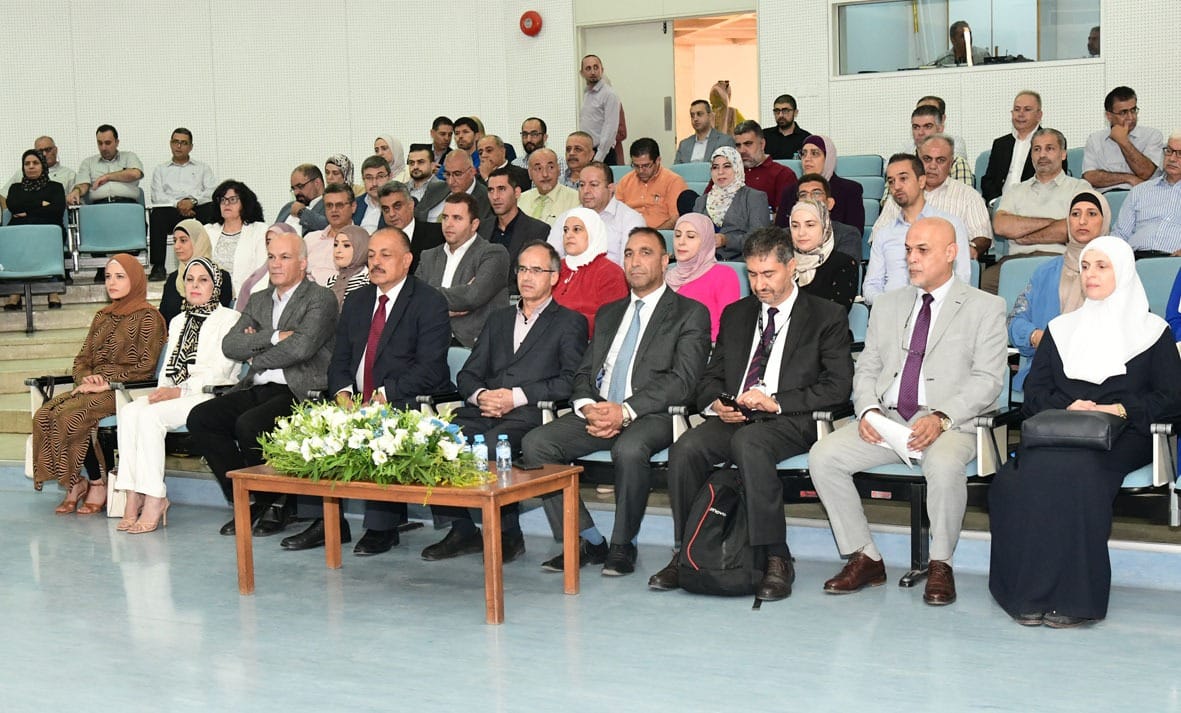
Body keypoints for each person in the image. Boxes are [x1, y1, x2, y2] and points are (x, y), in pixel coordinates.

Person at [808, 217, 1007, 606]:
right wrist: (868, 410)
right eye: (908, 250)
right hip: (890, 420)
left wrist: (942, 417)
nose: (911, 258)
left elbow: (988, 380)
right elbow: (867, 368)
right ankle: (865, 556)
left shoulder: (985, 307)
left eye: (922, 250)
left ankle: (940, 563)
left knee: (944, 465)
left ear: (951, 253)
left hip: (951, 425)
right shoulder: (887, 304)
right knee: (824, 456)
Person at [989, 236, 1181, 628]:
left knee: (1080, 475)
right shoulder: (1060, 329)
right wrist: (1068, 406)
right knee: (1013, 480)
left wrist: (1120, 409)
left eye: (1102, 266)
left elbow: (1171, 398)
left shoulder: (1153, 332)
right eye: (1086, 266)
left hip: (1126, 432)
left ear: (1122, 272)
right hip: (1061, 429)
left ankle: (1074, 599)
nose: (1090, 274)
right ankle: (1025, 593)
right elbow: (1034, 393)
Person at [651, 227, 853, 599]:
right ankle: (688, 551)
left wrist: (776, 401)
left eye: (768, 274)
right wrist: (717, 404)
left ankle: (776, 556)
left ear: (791, 267)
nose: (759, 284)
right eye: (753, 274)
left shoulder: (826, 315)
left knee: (750, 443)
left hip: (792, 418)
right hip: (739, 416)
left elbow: (838, 387)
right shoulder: (737, 314)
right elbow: (710, 377)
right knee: (687, 448)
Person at [521, 228, 711, 576]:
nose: (635, 261)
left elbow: (683, 381)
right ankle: (586, 540)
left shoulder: (689, 313)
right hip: (599, 409)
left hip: (652, 414)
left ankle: (624, 544)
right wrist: (586, 406)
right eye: (628, 253)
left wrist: (624, 410)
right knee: (536, 444)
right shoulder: (610, 313)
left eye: (645, 253)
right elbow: (583, 372)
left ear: (664, 261)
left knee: (629, 448)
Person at [280, 227, 452, 555]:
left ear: (407, 261)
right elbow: (340, 358)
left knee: (380, 426)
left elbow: (430, 368)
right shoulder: (358, 301)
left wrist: (384, 395)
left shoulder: (429, 302)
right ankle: (325, 522)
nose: (376, 262)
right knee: (313, 427)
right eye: (371, 255)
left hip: (407, 397)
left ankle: (381, 528)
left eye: (385, 255)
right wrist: (343, 393)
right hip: (358, 398)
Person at [419, 241, 589, 563]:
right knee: (434, 442)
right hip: (482, 410)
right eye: (522, 269)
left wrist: (516, 397)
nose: (527, 277)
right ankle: (461, 529)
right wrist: (481, 395)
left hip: (529, 415)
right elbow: (468, 374)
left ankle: (509, 535)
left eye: (537, 270)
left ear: (554, 277)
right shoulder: (498, 319)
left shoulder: (569, 322)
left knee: (492, 449)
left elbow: (570, 381)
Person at [186, 230, 337, 537]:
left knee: (250, 425)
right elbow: (230, 345)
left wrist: (256, 352)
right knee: (201, 418)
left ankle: (277, 502)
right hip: (257, 385)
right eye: (271, 257)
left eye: (285, 257)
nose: (276, 264)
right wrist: (274, 337)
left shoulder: (320, 298)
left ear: (303, 263)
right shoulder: (258, 299)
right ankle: (249, 498)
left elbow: (301, 348)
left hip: (300, 390)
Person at [112, 257, 241, 534]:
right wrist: (163, 391)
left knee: (150, 417)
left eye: (203, 280)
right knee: (130, 411)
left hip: (210, 395)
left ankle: (155, 497)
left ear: (216, 286)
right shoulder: (179, 320)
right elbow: (169, 368)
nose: (195, 286)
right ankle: (133, 493)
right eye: (190, 280)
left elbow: (221, 371)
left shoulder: (230, 319)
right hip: (175, 394)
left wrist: (179, 391)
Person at [32, 255, 166, 514]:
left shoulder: (149, 317)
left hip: (124, 390)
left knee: (72, 417)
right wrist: (86, 377)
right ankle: (75, 482)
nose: (111, 283)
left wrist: (107, 383)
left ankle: (96, 482)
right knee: (44, 414)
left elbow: (146, 367)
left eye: (120, 277)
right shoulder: (102, 316)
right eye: (108, 277)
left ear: (135, 279)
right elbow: (82, 359)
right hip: (94, 387)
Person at [1009, 190, 1111, 390]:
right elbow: (1015, 321)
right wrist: (1035, 336)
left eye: (1091, 214)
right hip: (1047, 371)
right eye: (1075, 214)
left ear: (1105, 220)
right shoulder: (1045, 272)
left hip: (1100, 372)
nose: (1082, 221)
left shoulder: (1117, 271)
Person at [985, 128, 1090, 293]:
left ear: (1063, 154)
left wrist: (1026, 235)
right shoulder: (1015, 190)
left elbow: (1073, 229)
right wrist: (1056, 223)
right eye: (1036, 149)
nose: (1042, 155)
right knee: (983, 286)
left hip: (1060, 261)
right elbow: (1001, 226)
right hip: (1015, 262)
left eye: (1050, 148)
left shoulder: (1079, 188)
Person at [862, 154, 972, 306]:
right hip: (892, 311)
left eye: (903, 178)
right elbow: (871, 285)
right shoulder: (884, 233)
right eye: (891, 181)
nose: (896, 186)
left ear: (921, 181)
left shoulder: (950, 225)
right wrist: (888, 305)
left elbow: (962, 279)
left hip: (935, 309)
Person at [414, 193, 510, 347]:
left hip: (474, 344)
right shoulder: (428, 256)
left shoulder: (493, 254)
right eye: (445, 217)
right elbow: (413, 299)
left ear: (474, 224)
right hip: (429, 338)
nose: (448, 224)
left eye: (457, 218)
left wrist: (429, 299)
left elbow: (472, 297)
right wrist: (446, 309)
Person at [875, 135, 993, 259]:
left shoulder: (969, 196)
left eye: (940, 160)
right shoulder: (899, 196)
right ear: (918, 160)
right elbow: (877, 237)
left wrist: (969, 249)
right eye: (927, 159)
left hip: (949, 264)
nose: (932, 166)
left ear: (951, 163)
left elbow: (983, 236)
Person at [148, 128, 218, 280]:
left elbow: (211, 191)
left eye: (184, 143)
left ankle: (208, 261)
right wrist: (178, 204)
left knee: (211, 209)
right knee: (157, 215)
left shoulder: (202, 168)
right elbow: (157, 196)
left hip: (196, 208)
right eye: (175, 142)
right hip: (171, 210)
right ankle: (158, 267)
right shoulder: (160, 170)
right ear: (170, 144)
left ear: (191, 147)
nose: (179, 146)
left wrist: (192, 202)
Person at [3, 149, 66, 310]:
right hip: (20, 232)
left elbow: (56, 210)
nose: (31, 167)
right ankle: (15, 292)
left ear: (43, 166)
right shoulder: (16, 188)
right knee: (15, 240)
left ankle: (52, 290)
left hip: (47, 231)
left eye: (35, 163)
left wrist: (27, 210)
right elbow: (14, 206)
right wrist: (41, 204)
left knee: (48, 236)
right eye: (27, 163)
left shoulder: (55, 187)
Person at [551, 208, 628, 338]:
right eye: (565, 230)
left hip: (587, 343)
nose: (569, 235)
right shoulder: (557, 267)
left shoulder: (610, 272)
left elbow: (611, 321)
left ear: (593, 232)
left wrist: (564, 323)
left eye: (577, 229)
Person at [549, 161, 645, 266]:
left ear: (611, 188)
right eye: (582, 185)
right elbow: (550, 261)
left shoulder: (631, 220)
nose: (586, 190)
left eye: (593, 185)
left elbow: (629, 266)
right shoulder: (567, 218)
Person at [665, 212, 742, 341]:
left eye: (690, 236)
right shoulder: (667, 275)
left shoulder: (724, 275)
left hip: (705, 348)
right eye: (677, 235)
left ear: (706, 240)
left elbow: (729, 326)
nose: (681, 242)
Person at [693, 146, 771, 261]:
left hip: (741, 263)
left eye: (727, 166)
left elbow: (760, 240)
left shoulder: (754, 197)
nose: (720, 172)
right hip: (704, 263)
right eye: (715, 167)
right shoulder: (701, 201)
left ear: (737, 167)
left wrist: (726, 240)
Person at [775, 135, 865, 233]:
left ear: (828, 158)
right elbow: (779, 233)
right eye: (804, 154)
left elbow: (854, 233)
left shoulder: (850, 190)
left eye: (814, 153)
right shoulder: (790, 191)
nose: (807, 159)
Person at [1082, 87, 1164, 193]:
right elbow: (1089, 177)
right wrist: (1129, 178)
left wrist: (1123, 141)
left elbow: (1146, 173)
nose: (1131, 117)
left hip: (1143, 196)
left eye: (1133, 110)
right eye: (1123, 113)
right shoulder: (1095, 139)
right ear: (1109, 116)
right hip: (1107, 198)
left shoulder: (1152, 135)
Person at [1114, 132, 1181, 257]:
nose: (1172, 159)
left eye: (1180, 154)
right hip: (1135, 259)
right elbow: (1120, 235)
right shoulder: (1140, 191)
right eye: (1169, 151)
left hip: (1175, 262)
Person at [158, 219, 234, 323]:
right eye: (175, 241)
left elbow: (221, 319)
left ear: (199, 242)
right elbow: (162, 320)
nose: (176, 246)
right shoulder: (173, 279)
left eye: (183, 240)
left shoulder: (219, 276)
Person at [790, 200, 858, 310]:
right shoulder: (783, 261)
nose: (801, 233)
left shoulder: (843, 264)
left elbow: (835, 314)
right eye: (795, 226)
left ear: (824, 226)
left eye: (810, 225)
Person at [486, 167, 550, 284]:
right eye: (490, 190)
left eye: (501, 189)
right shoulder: (481, 228)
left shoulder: (538, 231)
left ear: (517, 193)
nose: (495, 196)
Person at [981, 91, 1047, 203]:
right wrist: (995, 202)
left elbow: (1053, 181)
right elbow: (988, 181)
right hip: (1001, 205)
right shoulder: (1000, 144)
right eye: (1017, 109)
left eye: (1027, 109)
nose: (1021, 114)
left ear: (1039, 115)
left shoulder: (1050, 143)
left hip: (1034, 205)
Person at [205, 180, 269, 293]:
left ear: (244, 203)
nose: (226, 203)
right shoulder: (208, 231)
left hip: (248, 295)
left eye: (233, 199)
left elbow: (262, 272)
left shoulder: (259, 230)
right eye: (222, 200)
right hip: (211, 295)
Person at [615, 138, 687, 230]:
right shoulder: (625, 181)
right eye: (636, 166)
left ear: (658, 161)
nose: (641, 171)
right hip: (627, 233)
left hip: (660, 234)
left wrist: (652, 235)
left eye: (646, 166)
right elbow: (616, 214)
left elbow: (675, 219)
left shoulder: (673, 181)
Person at [67, 124, 143, 206]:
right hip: (99, 206)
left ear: (117, 142)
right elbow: (83, 185)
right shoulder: (88, 162)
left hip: (128, 204)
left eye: (108, 143)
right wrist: (77, 191)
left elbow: (135, 174)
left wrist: (107, 177)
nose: (103, 148)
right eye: (100, 143)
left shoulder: (129, 156)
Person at [377, 180, 443, 274]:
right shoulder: (379, 241)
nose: (391, 214)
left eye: (397, 206)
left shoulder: (437, 234)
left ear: (411, 205)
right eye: (386, 209)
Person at [731, 120, 795, 214]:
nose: (742, 150)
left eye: (748, 144)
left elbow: (784, 217)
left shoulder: (783, 174)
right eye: (738, 145)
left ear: (762, 144)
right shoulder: (727, 172)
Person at [794, 174, 862, 259]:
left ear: (829, 203)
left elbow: (843, 266)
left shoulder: (846, 234)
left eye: (816, 193)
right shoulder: (785, 236)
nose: (809, 199)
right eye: (803, 195)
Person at [303, 182, 357, 285]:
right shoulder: (310, 239)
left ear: (353, 206)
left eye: (339, 205)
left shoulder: (362, 242)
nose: (334, 210)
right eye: (329, 205)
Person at [518, 148, 580, 225]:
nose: (545, 174)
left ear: (559, 169)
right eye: (538, 168)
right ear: (530, 173)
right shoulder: (520, 200)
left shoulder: (576, 200)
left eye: (550, 167)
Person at [579, 54, 621, 164]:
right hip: (589, 152)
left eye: (596, 67)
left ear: (602, 70)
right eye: (588, 68)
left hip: (603, 154)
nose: (593, 72)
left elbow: (610, 129)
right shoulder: (586, 93)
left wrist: (598, 158)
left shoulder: (609, 94)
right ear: (582, 73)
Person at [1, 135, 75, 198]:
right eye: (40, 151)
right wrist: (6, 210)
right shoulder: (22, 173)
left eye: (48, 149)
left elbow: (75, 201)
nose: (44, 154)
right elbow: (3, 194)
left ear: (55, 150)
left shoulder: (69, 175)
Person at [674, 99, 736, 164]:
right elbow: (676, 169)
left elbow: (730, 167)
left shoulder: (725, 141)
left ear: (710, 116)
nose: (695, 119)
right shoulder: (684, 145)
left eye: (699, 114)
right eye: (692, 116)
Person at [326, 225, 371, 309]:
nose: (338, 250)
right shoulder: (332, 280)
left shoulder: (369, 280)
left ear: (361, 248)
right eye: (335, 244)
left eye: (346, 245)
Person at [276, 164, 327, 235]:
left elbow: (330, 226)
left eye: (300, 186)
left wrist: (302, 213)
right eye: (293, 188)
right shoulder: (288, 207)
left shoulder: (330, 205)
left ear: (317, 183)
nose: (296, 192)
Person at [763, 93, 811, 160]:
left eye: (785, 111)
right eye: (777, 111)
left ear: (795, 112)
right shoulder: (764, 136)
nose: (780, 115)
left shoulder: (806, 139)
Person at [353, 155, 390, 233]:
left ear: (389, 177)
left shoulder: (398, 205)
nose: (374, 183)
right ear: (363, 180)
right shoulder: (354, 205)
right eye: (369, 178)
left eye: (380, 176)